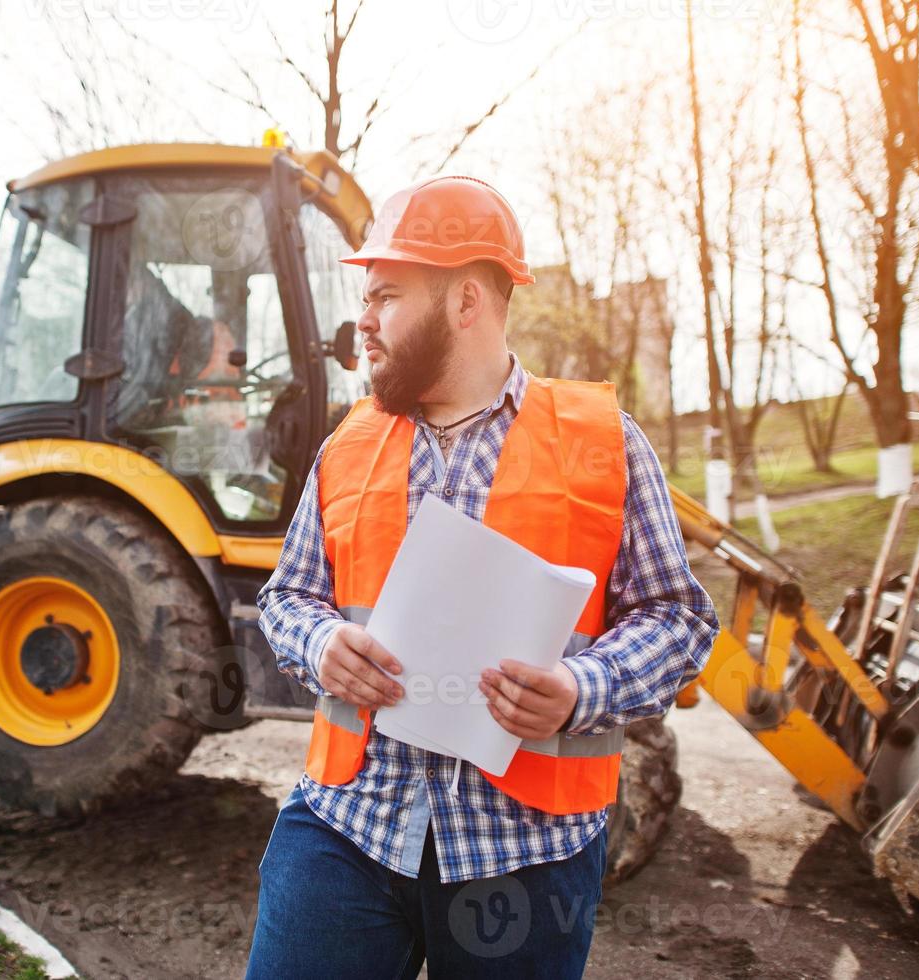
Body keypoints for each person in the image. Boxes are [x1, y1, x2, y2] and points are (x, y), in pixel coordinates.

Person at [249, 176, 721, 979]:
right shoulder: (347, 445)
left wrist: (582, 688)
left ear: (466, 302)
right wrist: (321, 641)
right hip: (347, 828)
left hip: (524, 854)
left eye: (386, 295)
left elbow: (677, 619)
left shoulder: (602, 440)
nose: (361, 320)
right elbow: (286, 597)